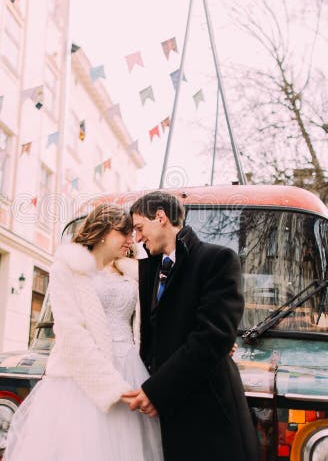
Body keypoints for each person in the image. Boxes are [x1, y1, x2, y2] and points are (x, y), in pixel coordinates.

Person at [4, 203, 163, 461]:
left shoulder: (134, 272)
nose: (131, 239)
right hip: (80, 379)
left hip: (132, 370)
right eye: (123, 232)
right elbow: (71, 335)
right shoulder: (66, 269)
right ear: (102, 231)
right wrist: (114, 387)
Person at [124, 191, 258, 461]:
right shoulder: (149, 268)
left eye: (139, 228)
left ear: (160, 217)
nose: (137, 238)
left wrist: (157, 391)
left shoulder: (217, 260)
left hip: (207, 416)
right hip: (168, 414)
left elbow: (211, 339)